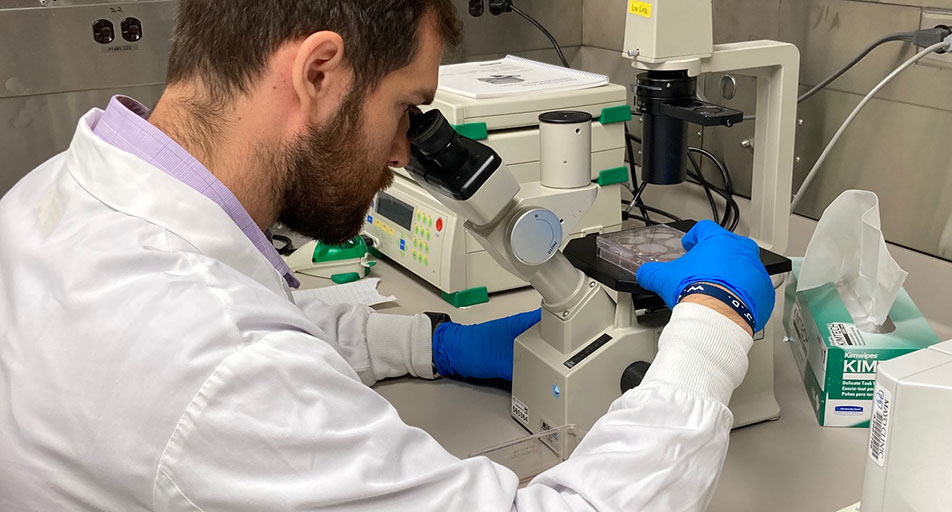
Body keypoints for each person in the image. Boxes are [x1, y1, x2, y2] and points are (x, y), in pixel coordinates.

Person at [0, 1, 775, 510]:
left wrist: (425, 343)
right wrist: (712, 332)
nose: (407, 154)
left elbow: (255, 312)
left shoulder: (53, 194)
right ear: (317, 71)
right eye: (406, 108)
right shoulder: (219, 369)